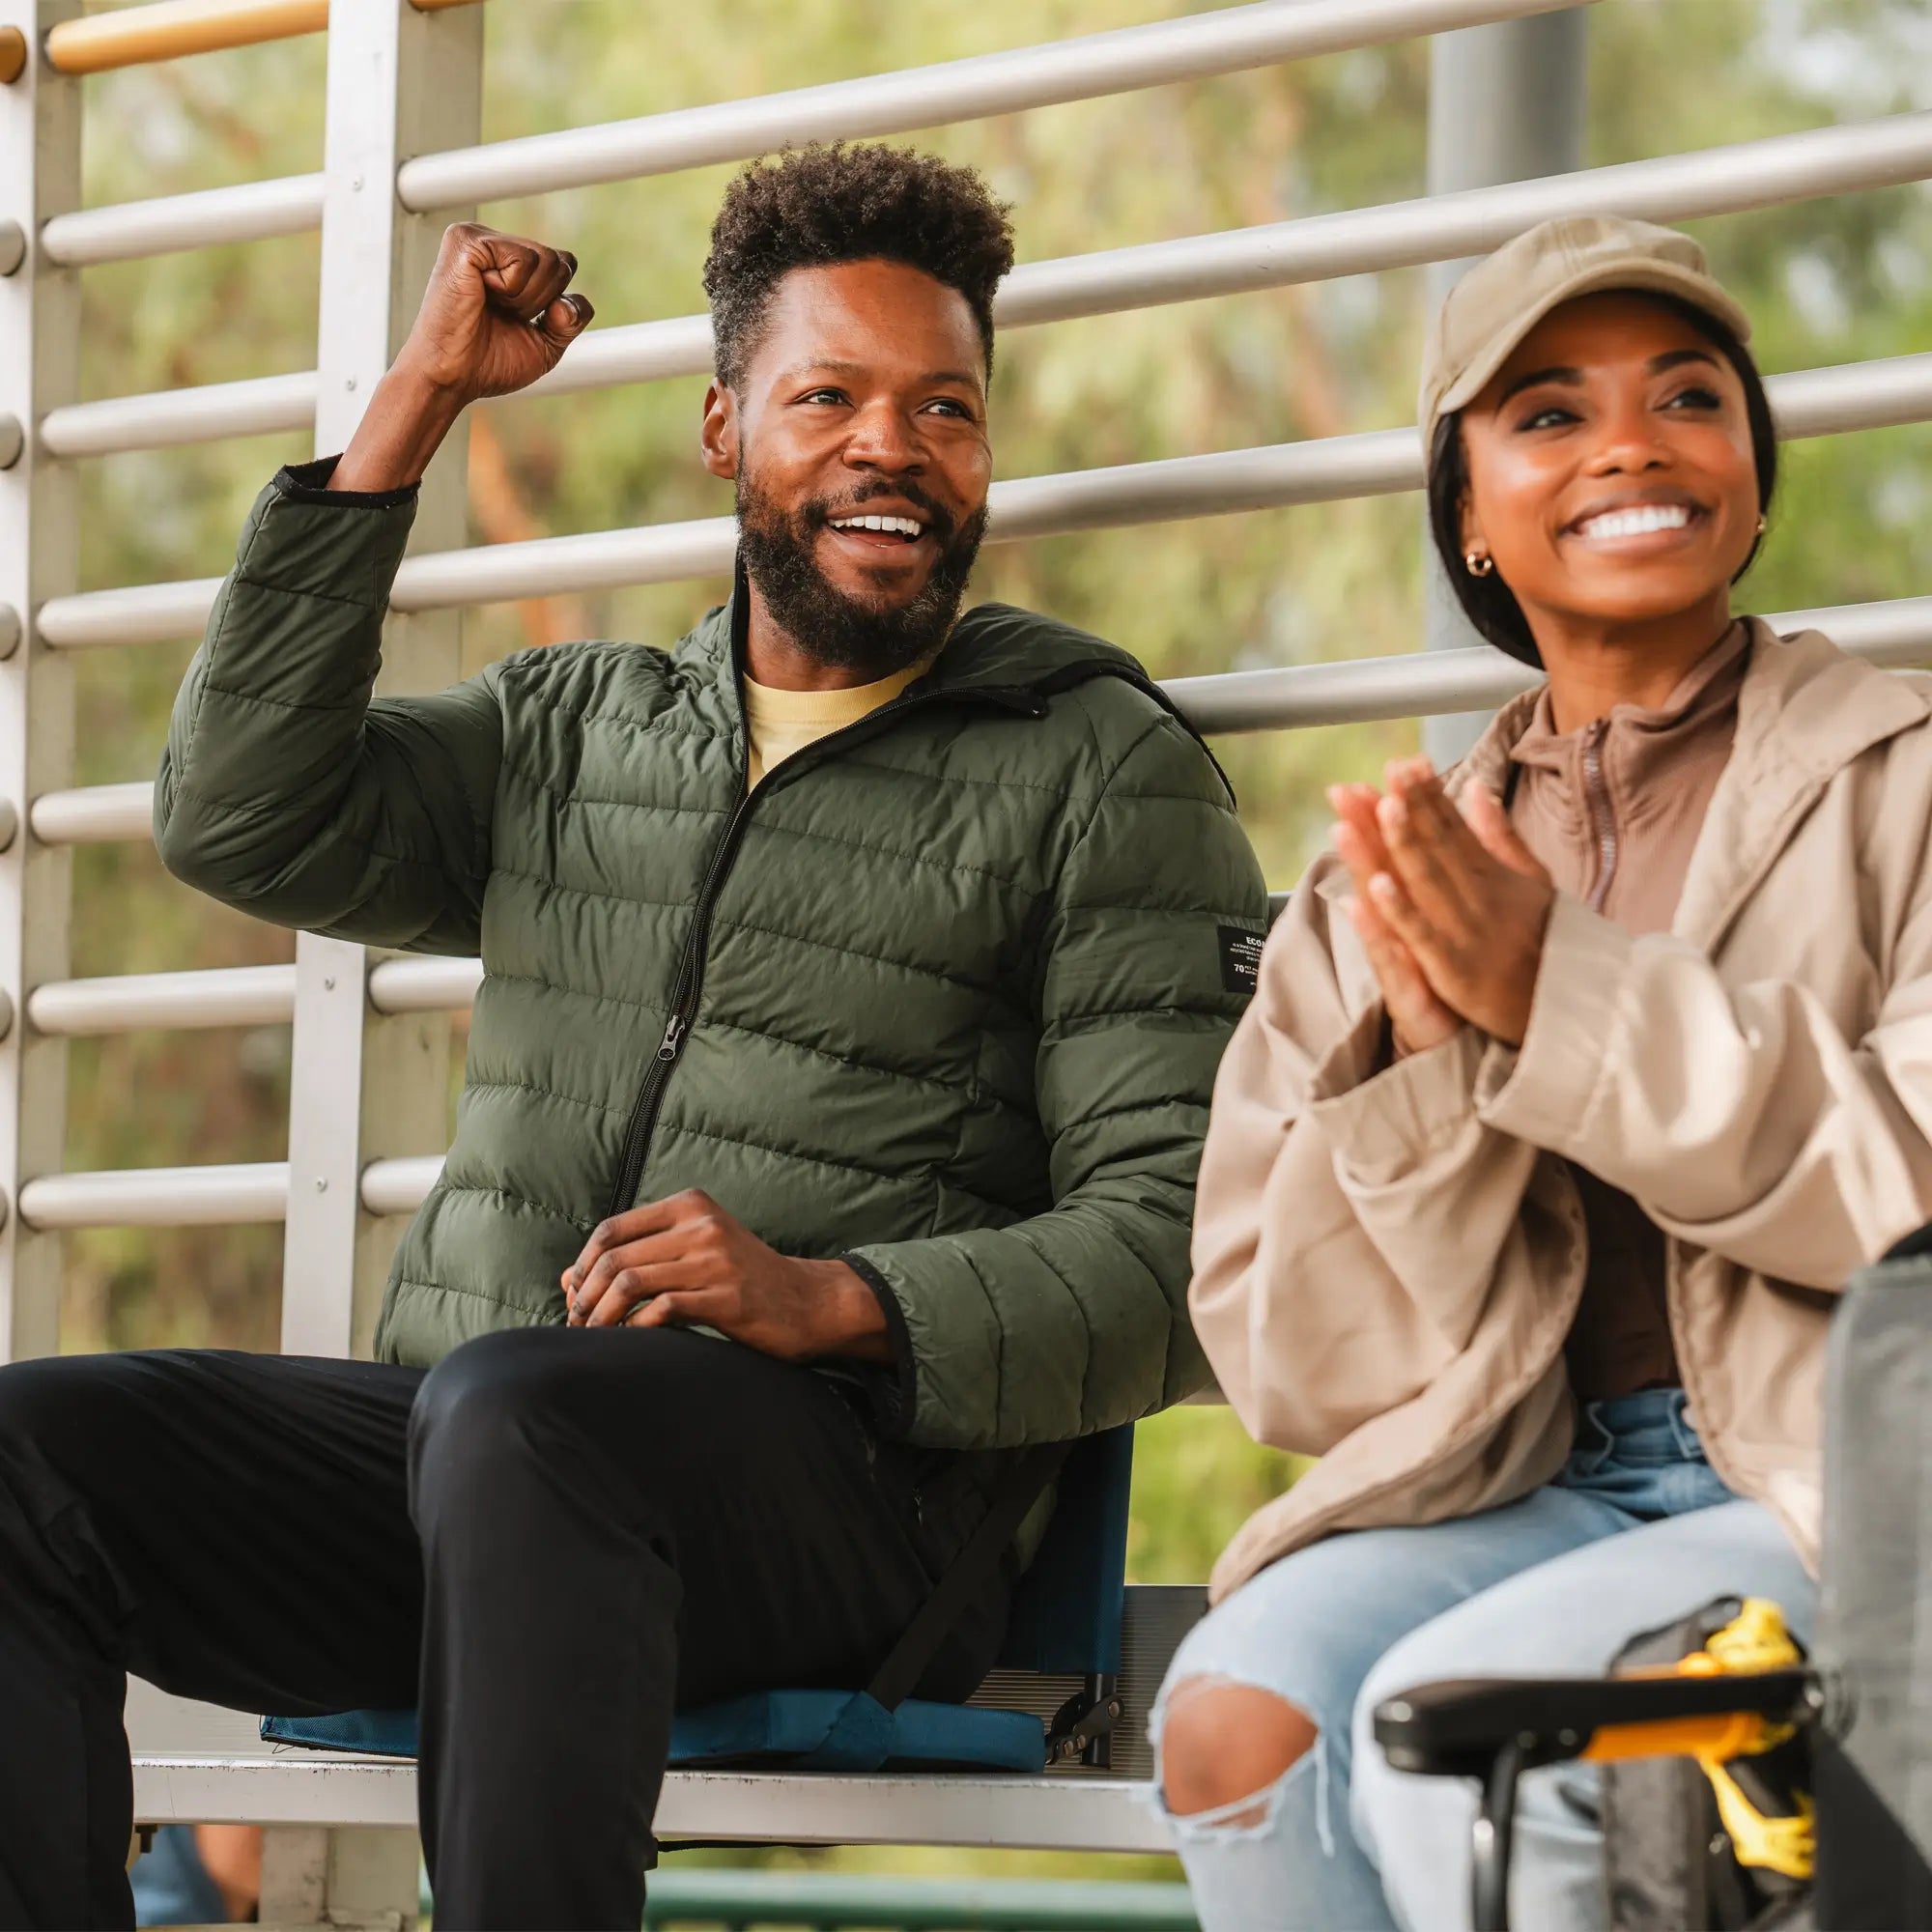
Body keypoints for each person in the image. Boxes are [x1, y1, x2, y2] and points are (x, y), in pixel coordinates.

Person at [0, 143, 1267, 1931]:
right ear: (723, 428)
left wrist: (836, 1300)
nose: (889, 448)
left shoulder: (1091, 763)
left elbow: (1186, 1238)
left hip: (840, 1512)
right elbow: (238, 820)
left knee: (529, 1419)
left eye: (946, 409)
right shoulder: (575, 727)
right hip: (469, 1468)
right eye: (826, 396)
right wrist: (415, 406)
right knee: (27, 1458)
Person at [1152, 213, 1932, 1932]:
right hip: (1532, 1484)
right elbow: (1289, 1360)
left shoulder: (1903, 778)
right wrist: (1429, 1078)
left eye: (1689, 395)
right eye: (1550, 414)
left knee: (1476, 1739)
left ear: (1748, 465)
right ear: (1471, 519)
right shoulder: (1381, 885)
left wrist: (1557, 997)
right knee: (1232, 1715)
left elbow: (1915, 1200)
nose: (1633, 445)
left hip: (1848, 1491)